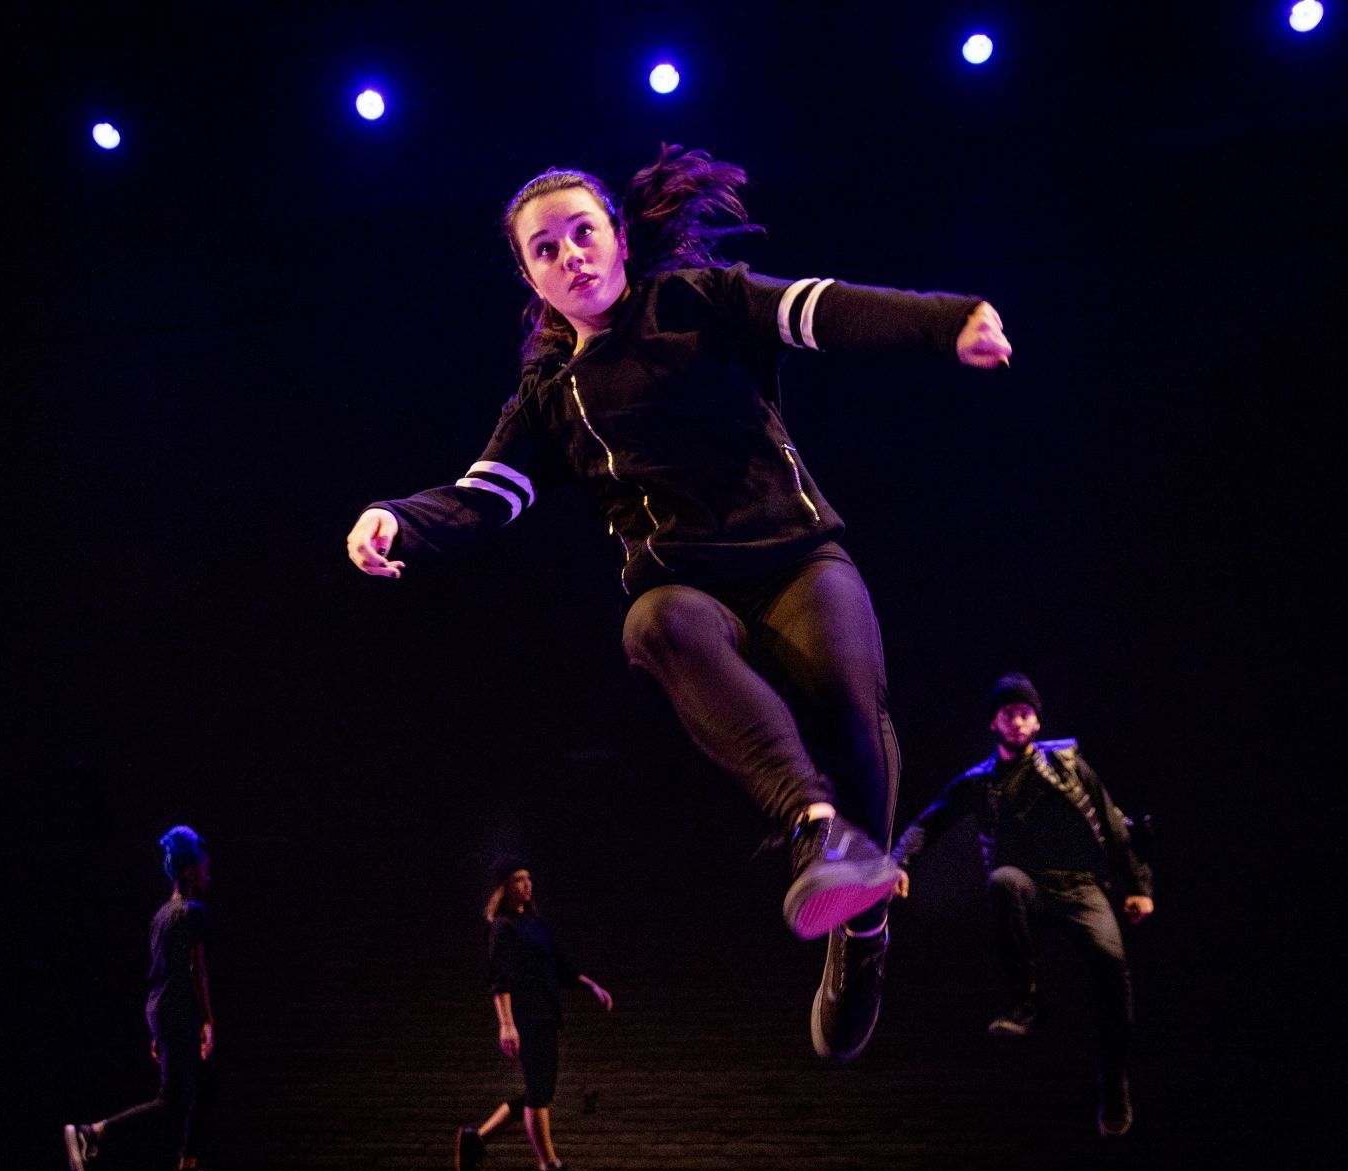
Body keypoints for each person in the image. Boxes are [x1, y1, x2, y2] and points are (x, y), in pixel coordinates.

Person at [346, 146, 1012, 1062]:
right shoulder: (551, 396)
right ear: (530, 278)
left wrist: (946, 321)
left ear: (620, 237)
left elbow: (822, 307)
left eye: (584, 233)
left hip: (796, 556)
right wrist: (393, 518)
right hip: (687, 584)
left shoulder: (702, 300)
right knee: (651, 620)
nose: (571, 255)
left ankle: (862, 931)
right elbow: (482, 495)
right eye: (546, 249)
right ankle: (814, 828)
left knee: (851, 708)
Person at [893, 673, 1154, 1136]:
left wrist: (1138, 887)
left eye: (1025, 713)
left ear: (1036, 722)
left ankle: (1114, 1085)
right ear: (994, 723)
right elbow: (928, 822)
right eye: (1008, 713)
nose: (1017, 720)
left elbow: (1112, 822)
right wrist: (898, 863)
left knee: (1113, 970)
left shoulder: (1069, 765)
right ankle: (1027, 1003)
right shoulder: (981, 781)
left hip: (1081, 888)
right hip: (1030, 884)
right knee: (1003, 881)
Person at [63, 826, 219, 1171]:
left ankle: (187, 1167)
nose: (209, 876)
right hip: (178, 1011)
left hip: (163, 1011)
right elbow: (196, 969)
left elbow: (159, 972)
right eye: (204, 869)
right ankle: (93, 1132)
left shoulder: (161, 916)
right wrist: (208, 1020)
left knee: (205, 1084)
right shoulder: (193, 912)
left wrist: (157, 1030)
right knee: (171, 1100)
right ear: (189, 873)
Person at [456, 857, 613, 1171]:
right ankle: (548, 1165)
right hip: (526, 1016)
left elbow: (559, 965)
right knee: (540, 1091)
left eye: (528, 878)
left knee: (538, 1090)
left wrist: (591, 986)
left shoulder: (535, 923)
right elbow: (499, 981)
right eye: (518, 879)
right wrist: (506, 1024)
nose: (527, 884)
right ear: (505, 887)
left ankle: (476, 1139)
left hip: (545, 1015)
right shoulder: (503, 927)